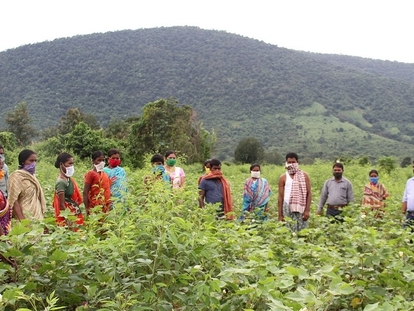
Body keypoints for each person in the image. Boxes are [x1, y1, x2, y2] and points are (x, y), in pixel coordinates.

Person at [8, 150, 46, 221]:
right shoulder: (16, 176)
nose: (34, 163)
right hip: (25, 215)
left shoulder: (32, 176)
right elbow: (14, 201)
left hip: (37, 215)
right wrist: (22, 221)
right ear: (23, 161)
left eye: (35, 161)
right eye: (31, 161)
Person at [278, 153, 311, 231]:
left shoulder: (304, 175)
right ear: (286, 163)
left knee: (302, 231)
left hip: (301, 207)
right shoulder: (283, 177)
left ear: (297, 162)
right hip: (287, 207)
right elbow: (280, 196)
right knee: (289, 230)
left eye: (293, 162)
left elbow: (309, 193)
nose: (291, 164)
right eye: (289, 162)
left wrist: (307, 210)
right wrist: (280, 214)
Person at [52, 153, 84, 228]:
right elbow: (62, 205)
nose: (71, 166)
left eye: (72, 164)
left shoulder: (68, 179)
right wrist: (68, 220)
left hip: (74, 212)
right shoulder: (61, 182)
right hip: (69, 217)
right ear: (61, 164)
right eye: (69, 163)